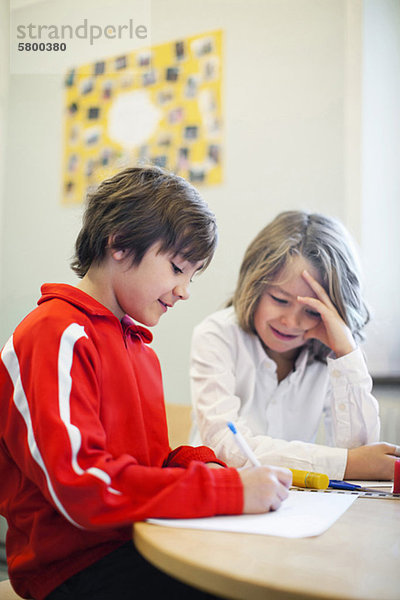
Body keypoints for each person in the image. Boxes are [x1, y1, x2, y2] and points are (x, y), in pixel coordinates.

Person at [0, 167, 292, 600]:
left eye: (191, 276)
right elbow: (84, 486)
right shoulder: (56, 334)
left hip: (134, 542)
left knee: (258, 564)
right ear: (118, 244)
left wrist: (203, 465)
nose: (184, 290)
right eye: (177, 268)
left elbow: (144, 466)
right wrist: (226, 490)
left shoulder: (139, 348)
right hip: (70, 568)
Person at [190, 210, 399, 481]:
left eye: (312, 310)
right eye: (279, 299)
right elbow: (224, 447)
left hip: (293, 502)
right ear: (254, 287)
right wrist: (346, 464)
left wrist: (345, 353)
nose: (291, 321)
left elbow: (362, 455)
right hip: (219, 491)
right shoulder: (217, 334)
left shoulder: (331, 350)